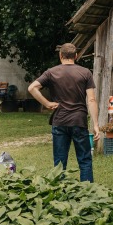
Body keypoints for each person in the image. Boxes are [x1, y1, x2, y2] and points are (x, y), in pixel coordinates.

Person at [28, 43, 100, 182]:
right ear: (76, 56)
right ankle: (88, 194)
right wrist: (96, 124)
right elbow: (91, 100)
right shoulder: (85, 72)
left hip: (60, 121)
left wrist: (47, 103)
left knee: (59, 163)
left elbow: (32, 88)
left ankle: (59, 194)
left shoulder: (51, 72)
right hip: (79, 121)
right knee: (85, 160)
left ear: (60, 56)